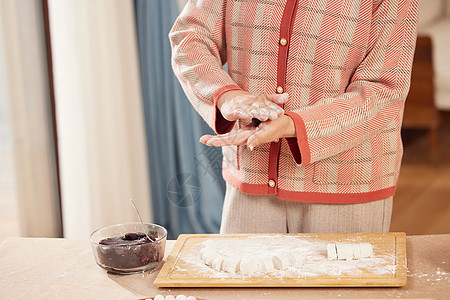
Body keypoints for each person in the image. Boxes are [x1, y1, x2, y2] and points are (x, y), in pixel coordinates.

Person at [169, 0, 418, 234]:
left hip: (346, 186)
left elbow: (384, 89)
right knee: (241, 279)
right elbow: (190, 36)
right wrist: (225, 95)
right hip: (251, 179)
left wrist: (293, 125)